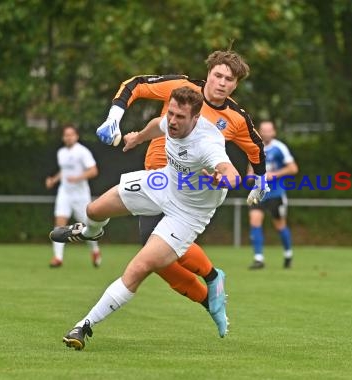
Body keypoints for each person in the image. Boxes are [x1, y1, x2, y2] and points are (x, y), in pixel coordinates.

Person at [95, 50, 268, 336]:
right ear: (209, 73)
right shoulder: (182, 91)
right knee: (158, 260)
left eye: (229, 79)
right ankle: (211, 289)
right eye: (218, 75)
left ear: (236, 84)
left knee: (153, 256)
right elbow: (136, 84)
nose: (222, 83)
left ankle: (211, 282)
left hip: (189, 194)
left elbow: (256, 148)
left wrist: (260, 181)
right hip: (157, 177)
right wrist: (115, 117)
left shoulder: (236, 118)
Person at [51, 87, 239, 350]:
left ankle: (83, 326)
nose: (173, 121)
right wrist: (138, 137)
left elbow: (231, 172)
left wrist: (222, 177)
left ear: (195, 119)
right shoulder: (170, 120)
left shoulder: (208, 143)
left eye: (180, 117)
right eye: (171, 113)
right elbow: (157, 125)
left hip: (188, 214)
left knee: (138, 268)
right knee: (94, 210)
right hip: (164, 184)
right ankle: (90, 232)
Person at [45, 125, 101, 268]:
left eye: (71, 134)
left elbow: (93, 171)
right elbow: (63, 171)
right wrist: (53, 180)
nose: (68, 137)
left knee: (88, 227)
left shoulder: (82, 151)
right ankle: (58, 258)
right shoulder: (61, 152)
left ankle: (95, 251)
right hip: (64, 193)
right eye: (66, 135)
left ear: (76, 136)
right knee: (60, 223)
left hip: (81, 195)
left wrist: (78, 178)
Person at [248, 121, 298, 269]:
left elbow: (293, 168)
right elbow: (250, 168)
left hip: (276, 194)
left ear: (274, 132)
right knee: (254, 221)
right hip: (259, 193)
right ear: (259, 131)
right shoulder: (254, 147)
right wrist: (251, 175)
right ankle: (259, 258)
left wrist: (275, 174)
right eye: (263, 130)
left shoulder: (279, 148)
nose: (266, 133)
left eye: (269, 130)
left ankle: (288, 253)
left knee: (280, 225)